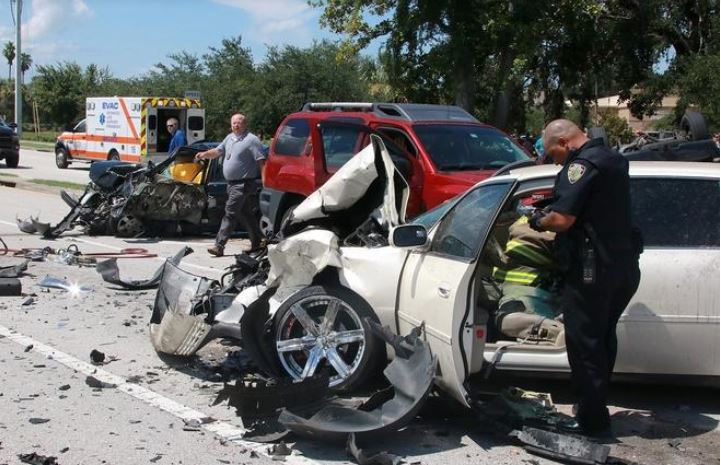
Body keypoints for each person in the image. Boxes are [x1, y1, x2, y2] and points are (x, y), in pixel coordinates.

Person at [528, 119, 641, 436]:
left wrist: (538, 220)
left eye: (553, 154)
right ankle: (595, 405)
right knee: (603, 338)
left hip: (591, 270)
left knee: (584, 344)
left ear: (563, 142)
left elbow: (562, 220)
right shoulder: (614, 159)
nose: (555, 161)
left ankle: (592, 422)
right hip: (623, 266)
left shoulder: (582, 164)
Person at [195, 113, 266, 256]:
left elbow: (261, 161)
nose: (236, 125)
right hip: (231, 184)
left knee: (230, 213)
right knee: (246, 214)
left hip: (243, 184)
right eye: (234, 122)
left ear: (245, 124)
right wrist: (203, 154)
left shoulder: (252, 140)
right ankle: (259, 242)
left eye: (239, 122)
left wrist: (265, 181)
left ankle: (219, 246)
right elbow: (217, 151)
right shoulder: (229, 138)